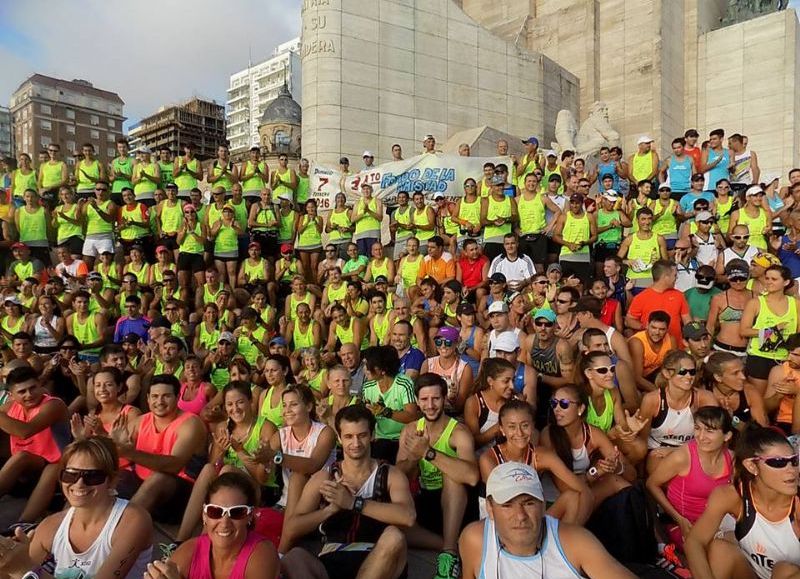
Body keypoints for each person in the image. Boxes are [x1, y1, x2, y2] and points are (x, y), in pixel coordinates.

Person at [280, 405, 415, 579]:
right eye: (349, 437)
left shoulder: (390, 474)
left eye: (362, 435)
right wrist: (330, 510)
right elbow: (292, 528)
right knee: (294, 557)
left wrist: (353, 502)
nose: (356, 443)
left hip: (377, 557)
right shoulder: (326, 476)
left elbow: (408, 516)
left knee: (395, 538)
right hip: (333, 557)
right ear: (339, 438)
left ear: (372, 435)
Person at [0, 437, 153, 579]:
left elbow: (25, 569)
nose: (79, 483)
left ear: (111, 481)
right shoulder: (51, 526)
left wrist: (28, 569)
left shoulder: (132, 520)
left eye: (92, 476)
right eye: (70, 475)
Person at [459, 461, 636, 579]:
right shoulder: (475, 540)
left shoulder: (575, 542)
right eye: (507, 505)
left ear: (543, 505)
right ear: (490, 508)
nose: (520, 515)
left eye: (528, 503)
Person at [684, 426, 800, 579]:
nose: (791, 470)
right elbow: (694, 541)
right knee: (719, 550)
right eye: (778, 463)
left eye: (794, 461)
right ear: (752, 466)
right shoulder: (731, 496)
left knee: (783, 570)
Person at [396, 373, 479, 577]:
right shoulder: (410, 430)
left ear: (444, 399)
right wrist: (414, 457)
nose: (430, 405)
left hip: (458, 506)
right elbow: (399, 476)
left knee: (453, 476)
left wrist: (427, 452)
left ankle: (449, 554)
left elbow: (472, 477)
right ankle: (450, 546)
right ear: (417, 401)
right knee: (393, 529)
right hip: (428, 500)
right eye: (424, 399)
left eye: (436, 399)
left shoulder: (458, 432)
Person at [109, 374, 207, 514]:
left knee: (159, 478)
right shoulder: (140, 421)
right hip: (141, 484)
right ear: (148, 398)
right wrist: (115, 444)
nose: (159, 401)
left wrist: (128, 452)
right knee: (101, 477)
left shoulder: (191, 424)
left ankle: (121, 527)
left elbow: (174, 465)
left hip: (180, 494)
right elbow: (119, 451)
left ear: (177, 397)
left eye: (166, 396)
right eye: (155, 396)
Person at [153, 471, 279, 579]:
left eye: (237, 512)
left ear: (250, 516)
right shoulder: (188, 553)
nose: (224, 522)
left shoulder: (261, 556)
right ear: (204, 515)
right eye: (215, 512)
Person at [645, 407, 734, 549]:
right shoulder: (682, 457)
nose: (701, 436)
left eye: (709, 431)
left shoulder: (732, 459)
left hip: (719, 522)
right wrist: (678, 519)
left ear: (727, 436)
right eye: (698, 428)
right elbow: (651, 484)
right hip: (686, 525)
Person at [0, 365, 70, 522]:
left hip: (55, 464)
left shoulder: (53, 405)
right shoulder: (11, 406)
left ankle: (24, 523)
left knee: (23, 457)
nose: (29, 395)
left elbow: (25, 431)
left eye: (33, 388)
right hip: (26, 466)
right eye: (22, 392)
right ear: (11, 395)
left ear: (40, 386)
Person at [635, 350, 718, 473]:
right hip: (659, 451)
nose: (689, 376)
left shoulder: (705, 398)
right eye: (683, 372)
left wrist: (675, 451)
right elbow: (643, 438)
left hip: (694, 451)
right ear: (666, 373)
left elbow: (716, 437)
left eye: (692, 372)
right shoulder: (652, 400)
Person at [740, 265, 800, 392]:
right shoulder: (755, 303)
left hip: (785, 358)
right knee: (759, 398)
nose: (769, 282)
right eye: (767, 278)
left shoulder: (795, 304)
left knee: (780, 399)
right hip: (760, 357)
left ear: (786, 282)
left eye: (774, 279)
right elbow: (744, 330)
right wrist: (772, 330)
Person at [361, 345, 420, 462]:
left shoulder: (404, 383)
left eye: (368, 365)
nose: (365, 369)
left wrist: (385, 412)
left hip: (404, 437)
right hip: (380, 439)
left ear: (382, 370)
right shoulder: (367, 387)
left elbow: (412, 416)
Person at [626, 260, 691, 347]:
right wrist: (647, 327)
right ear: (665, 277)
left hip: (675, 348)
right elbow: (628, 321)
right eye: (675, 275)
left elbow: (688, 322)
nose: (676, 278)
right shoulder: (641, 298)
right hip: (649, 350)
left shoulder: (679, 295)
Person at [420, 326, 473, 416]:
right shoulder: (427, 363)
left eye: (448, 342)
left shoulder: (464, 368)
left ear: (456, 343)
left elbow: (459, 406)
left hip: (452, 415)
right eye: (439, 342)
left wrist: (452, 399)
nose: (443, 346)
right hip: (428, 412)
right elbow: (420, 393)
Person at [707, 259, 752, 357]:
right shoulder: (718, 298)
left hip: (748, 352)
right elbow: (710, 326)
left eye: (742, 278)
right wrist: (707, 349)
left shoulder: (756, 297)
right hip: (722, 349)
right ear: (727, 277)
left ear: (748, 276)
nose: (738, 282)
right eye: (734, 279)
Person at [618, 207, 668, 291]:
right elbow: (617, 260)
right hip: (633, 281)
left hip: (653, 280)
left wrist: (658, 262)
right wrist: (627, 261)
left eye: (649, 219)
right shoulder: (630, 239)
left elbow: (666, 262)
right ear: (637, 220)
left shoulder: (659, 239)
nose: (647, 222)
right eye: (643, 219)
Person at [628, 310, 676, 393]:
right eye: (653, 328)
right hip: (635, 381)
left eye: (662, 329)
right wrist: (660, 393)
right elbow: (636, 378)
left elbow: (674, 368)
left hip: (658, 376)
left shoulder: (671, 340)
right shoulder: (637, 342)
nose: (657, 332)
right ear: (647, 325)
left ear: (667, 329)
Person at [728, 184, 772, 251]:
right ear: (747, 198)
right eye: (755, 196)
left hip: (762, 250)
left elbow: (770, 234)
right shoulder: (736, 214)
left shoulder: (766, 213)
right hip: (743, 250)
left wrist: (768, 232)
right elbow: (729, 236)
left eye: (760, 196)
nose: (758, 198)